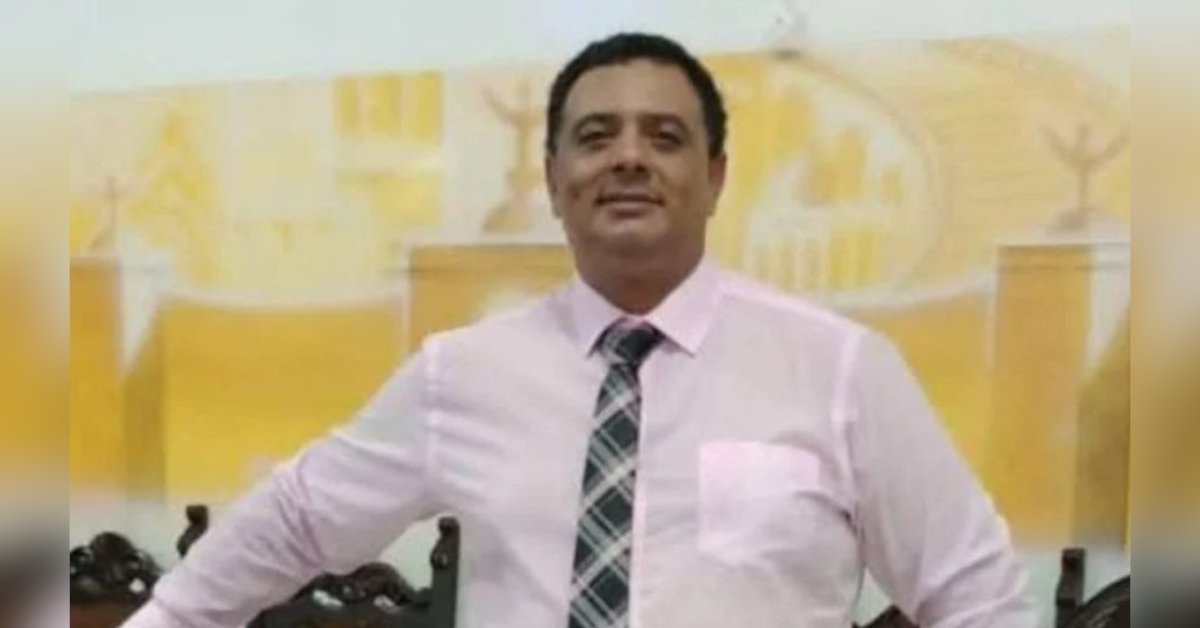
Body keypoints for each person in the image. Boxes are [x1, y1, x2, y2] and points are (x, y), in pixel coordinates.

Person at [121, 32, 1035, 628]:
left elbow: (979, 598)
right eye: (597, 136)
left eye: (664, 137)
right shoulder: (459, 375)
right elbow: (294, 519)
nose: (629, 157)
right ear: (555, 178)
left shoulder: (839, 370)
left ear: (716, 177)